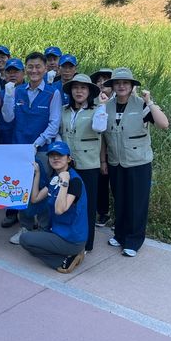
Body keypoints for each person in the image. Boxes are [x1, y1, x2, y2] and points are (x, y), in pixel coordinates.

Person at [102, 67, 169, 257]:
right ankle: (120, 234)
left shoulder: (141, 105)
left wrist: (151, 102)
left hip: (138, 162)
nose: (121, 86)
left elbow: (164, 124)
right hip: (116, 162)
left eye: (125, 83)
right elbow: (103, 137)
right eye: (117, 83)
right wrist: (103, 161)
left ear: (132, 86)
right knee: (120, 200)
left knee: (136, 203)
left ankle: (133, 240)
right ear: (112, 86)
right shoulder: (106, 106)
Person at [1, 51, 62, 244]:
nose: (34, 70)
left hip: (42, 150)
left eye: (38, 66)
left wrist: (38, 143)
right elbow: (8, 118)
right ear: (26, 70)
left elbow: (54, 124)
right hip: (19, 148)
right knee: (21, 188)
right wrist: (8, 98)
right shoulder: (17, 91)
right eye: (30, 67)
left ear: (45, 69)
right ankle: (25, 226)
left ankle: (44, 228)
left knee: (43, 188)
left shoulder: (53, 93)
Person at [19, 141, 87, 274]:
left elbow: (59, 210)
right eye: (52, 156)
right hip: (57, 232)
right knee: (33, 246)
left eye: (60, 155)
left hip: (70, 238)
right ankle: (68, 255)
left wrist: (65, 183)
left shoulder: (74, 181)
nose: (55, 158)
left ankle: (63, 261)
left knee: (25, 240)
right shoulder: (55, 178)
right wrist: (37, 174)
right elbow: (35, 198)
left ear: (68, 158)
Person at [59, 74, 107, 253]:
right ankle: (69, 237)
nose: (79, 91)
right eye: (75, 88)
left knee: (87, 205)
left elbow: (100, 127)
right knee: (67, 202)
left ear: (89, 92)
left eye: (83, 88)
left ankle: (87, 243)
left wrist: (102, 106)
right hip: (67, 165)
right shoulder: (64, 110)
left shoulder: (97, 110)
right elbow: (60, 132)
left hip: (88, 165)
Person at [0, 57, 25, 228]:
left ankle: (28, 215)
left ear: (23, 73)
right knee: (10, 177)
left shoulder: (27, 90)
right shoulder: (2, 90)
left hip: (25, 140)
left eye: (16, 71)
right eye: (9, 71)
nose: (12, 74)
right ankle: (11, 212)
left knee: (27, 178)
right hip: (7, 139)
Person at [90, 68, 113, 227]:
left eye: (105, 81)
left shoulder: (119, 101)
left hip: (118, 149)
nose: (101, 84)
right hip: (100, 150)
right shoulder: (93, 102)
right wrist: (102, 159)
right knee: (102, 182)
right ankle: (103, 212)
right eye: (98, 81)